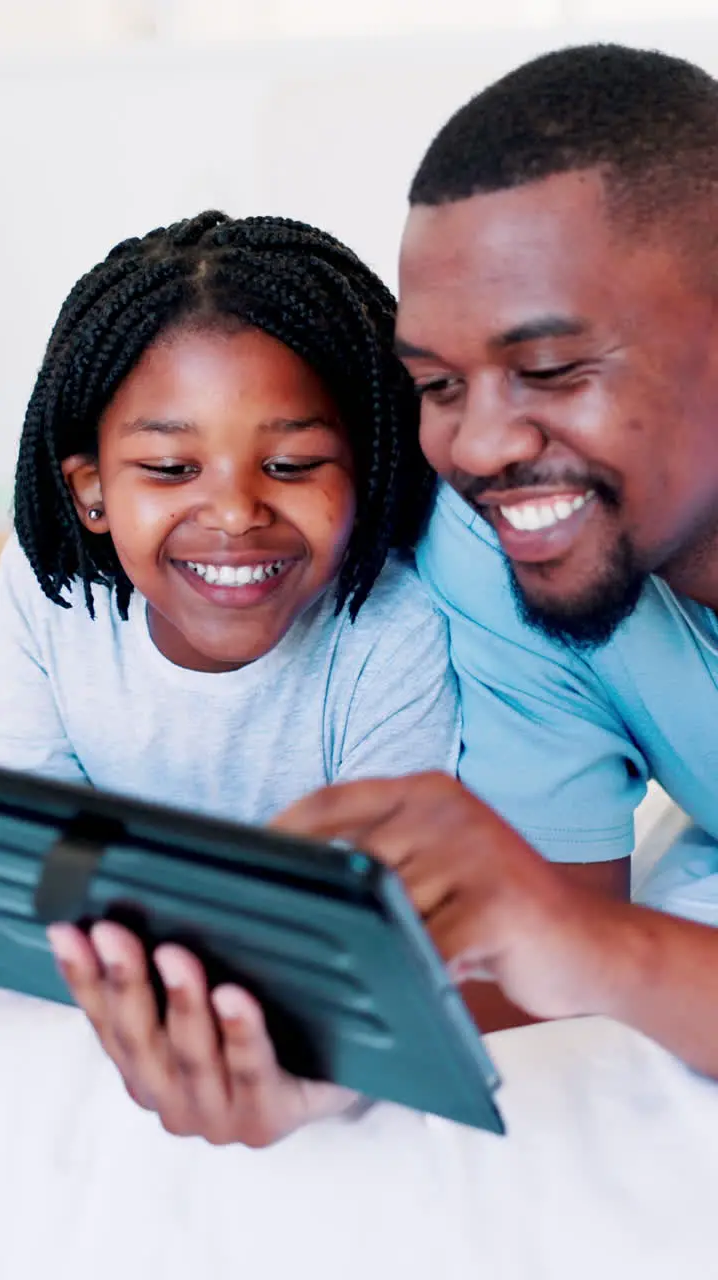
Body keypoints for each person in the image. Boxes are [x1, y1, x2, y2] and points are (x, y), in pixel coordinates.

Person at [278, 43, 718, 1080]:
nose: (477, 448)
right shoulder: (500, 555)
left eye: (550, 369)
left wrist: (604, 953)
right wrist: (311, 1067)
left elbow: (598, 952)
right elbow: (549, 961)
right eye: (437, 385)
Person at [0, 210, 460, 1142]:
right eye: (170, 468)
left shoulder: (396, 634)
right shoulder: (37, 597)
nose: (237, 512)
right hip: (90, 1006)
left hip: (306, 1030)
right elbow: (24, 855)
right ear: (90, 490)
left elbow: (395, 920)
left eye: (291, 464)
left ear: (366, 470)